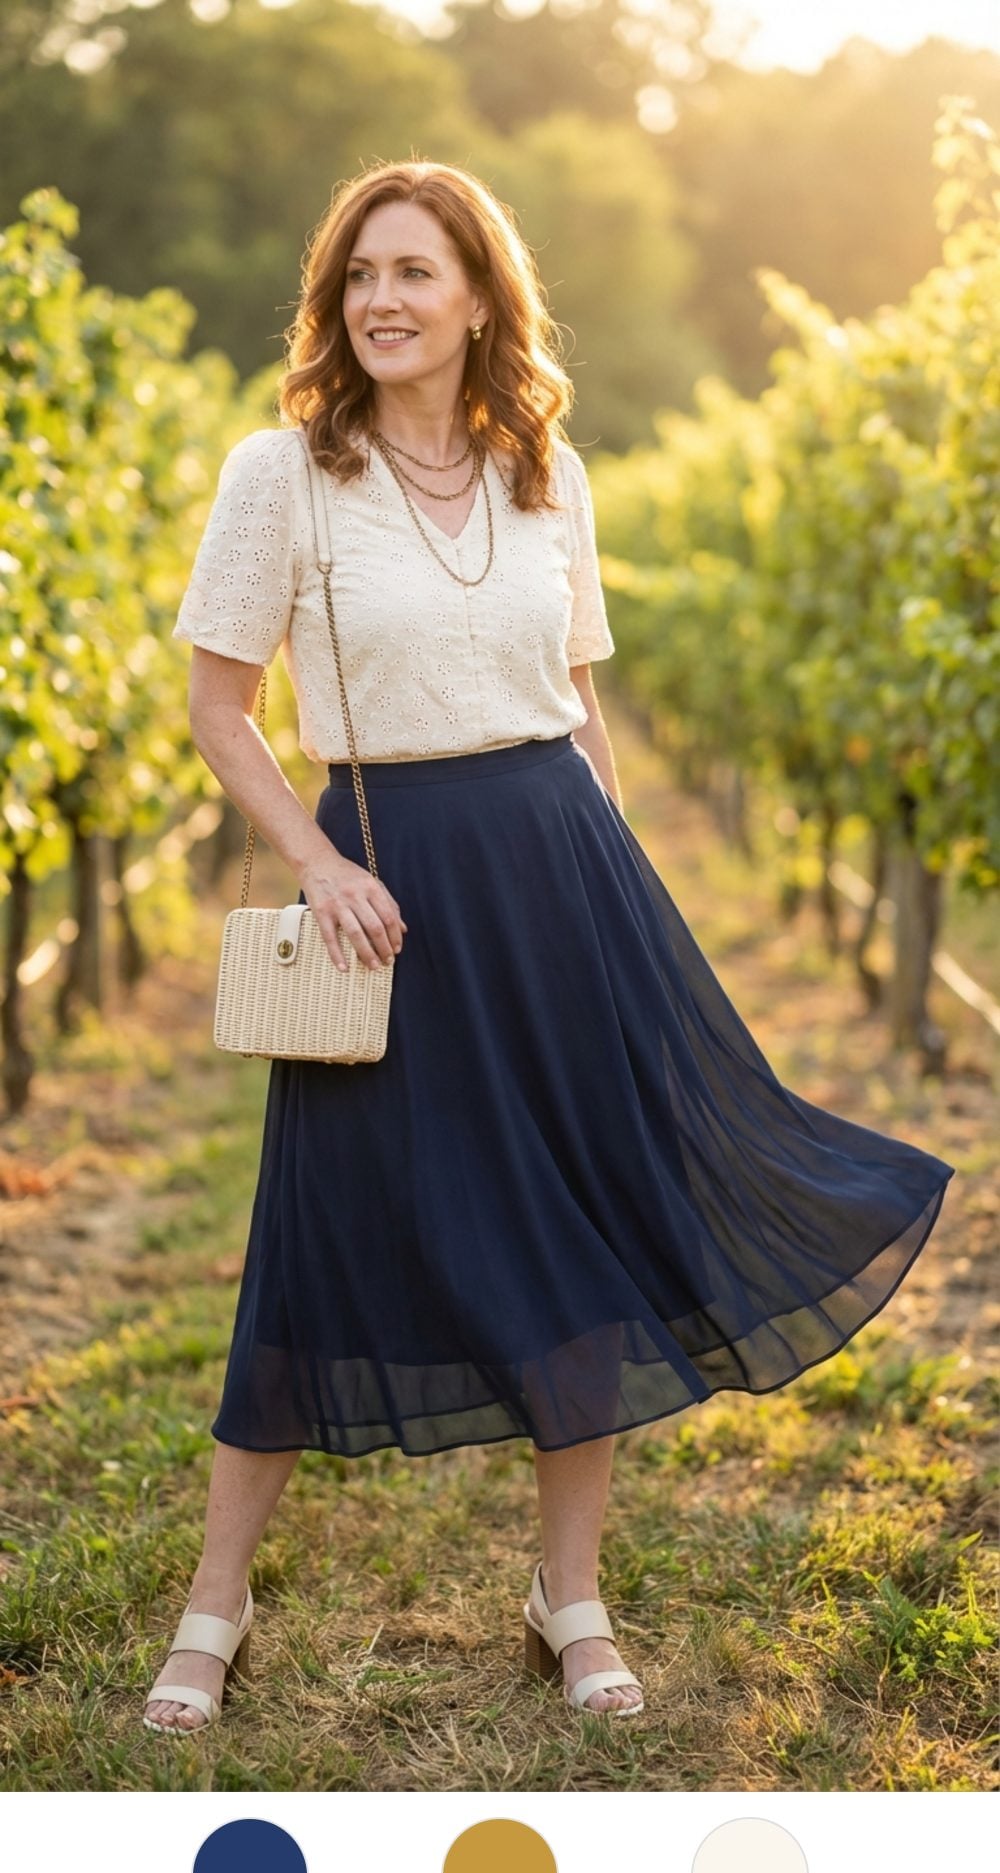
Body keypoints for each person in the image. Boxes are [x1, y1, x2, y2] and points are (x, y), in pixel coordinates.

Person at [144, 160, 955, 1737]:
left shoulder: (544, 470)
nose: (382, 299)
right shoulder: (283, 474)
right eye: (360, 273)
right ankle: (213, 1605)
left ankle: (568, 1598)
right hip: (384, 882)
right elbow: (219, 707)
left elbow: (580, 706)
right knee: (321, 1234)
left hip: (559, 877)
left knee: (579, 1233)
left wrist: (617, 883)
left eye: (415, 272)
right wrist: (316, 864)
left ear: (477, 298)